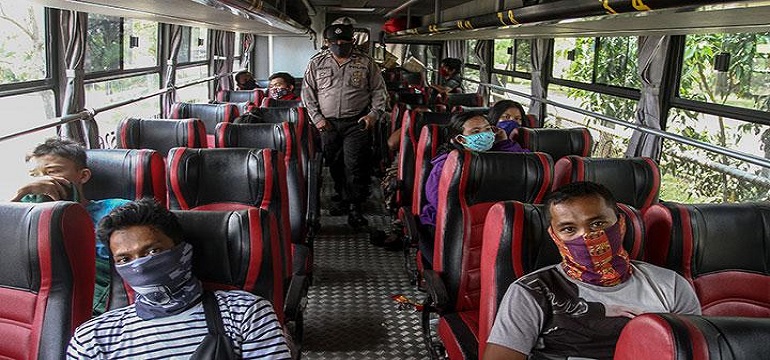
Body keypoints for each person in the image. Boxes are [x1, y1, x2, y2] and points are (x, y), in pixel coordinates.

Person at [483, 182, 702, 360]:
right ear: (555, 237)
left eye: (597, 224)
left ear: (621, 225)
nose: (586, 237)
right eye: (569, 229)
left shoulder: (671, 286)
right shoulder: (531, 291)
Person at [67, 199, 292, 359]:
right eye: (125, 259)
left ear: (183, 251)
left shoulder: (245, 312)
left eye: (153, 252)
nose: (140, 266)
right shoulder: (92, 339)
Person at [11, 137, 130, 316]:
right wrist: (19, 195)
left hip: (100, 299)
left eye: (52, 172)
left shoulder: (115, 209)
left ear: (83, 176)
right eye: (35, 176)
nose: (43, 181)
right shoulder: (26, 216)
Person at [302, 22, 387, 229]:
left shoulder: (366, 63)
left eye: (344, 41)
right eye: (335, 42)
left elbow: (379, 91)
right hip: (327, 124)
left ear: (353, 42)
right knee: (335, 164)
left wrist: (373, 115)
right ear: (327, 43)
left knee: (355, 164)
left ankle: (355, 207)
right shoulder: (316, 63)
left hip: (356, 122)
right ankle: (343, 196)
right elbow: (308, 93)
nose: (339, 45)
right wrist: (317, 119)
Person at [420, 111, 528, 228]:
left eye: (487, 129)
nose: (484, 134)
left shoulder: (498, 155)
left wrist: (504, 142)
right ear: (461, 139)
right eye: (475, 132)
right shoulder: (447, 163)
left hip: (500, 219)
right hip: (452, 222)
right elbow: (438, 199)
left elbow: (526, 164)